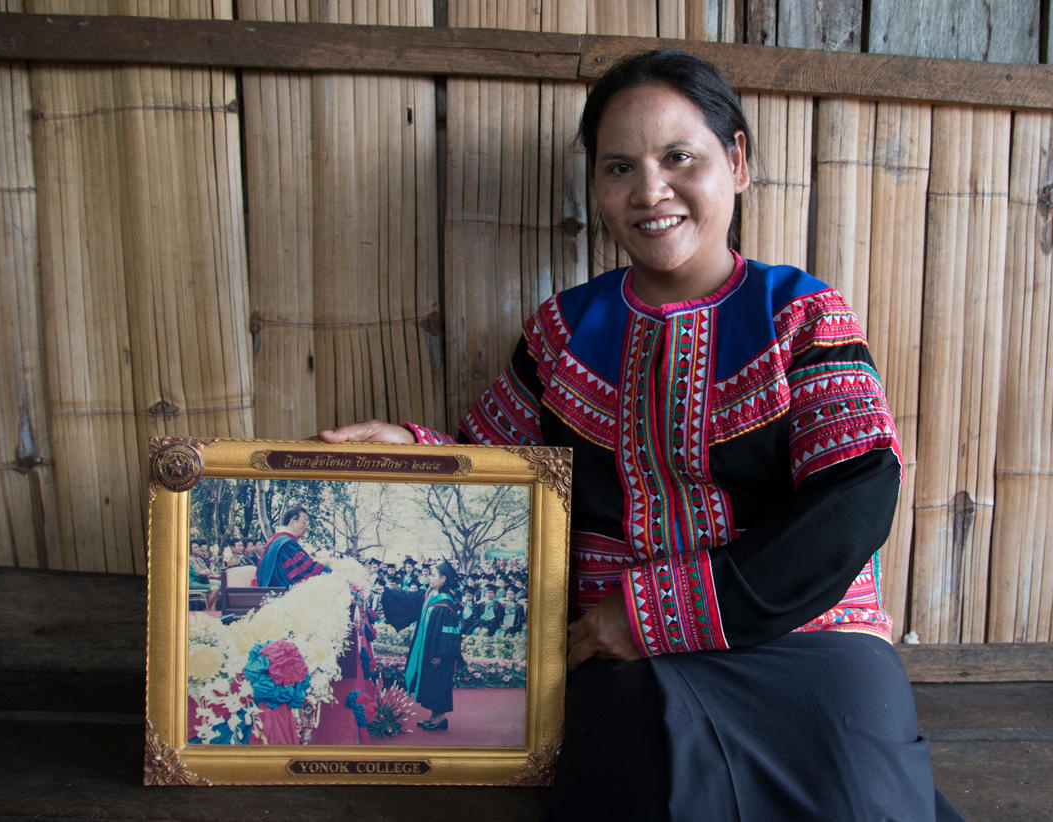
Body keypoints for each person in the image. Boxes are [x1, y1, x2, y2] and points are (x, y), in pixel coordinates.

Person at [320, 49, 960, 821]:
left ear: (738, 160)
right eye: (619, 167)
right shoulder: (563, 331)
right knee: (654, 793)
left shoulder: (802, 314)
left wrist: (654, 613)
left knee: (865, 804)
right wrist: (413, 451)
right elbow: (500, 475)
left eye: (679, 157)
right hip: (617, 657)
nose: (650, 191)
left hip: (811, 640)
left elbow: (855, 499)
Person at [379, 560, 465, 731]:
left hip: (439, 655)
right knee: (431, 683)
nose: (429, 578)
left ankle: (440, 718)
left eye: (433, 575)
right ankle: (434, 716)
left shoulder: (446, 605)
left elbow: (449, 634)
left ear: (443, 579)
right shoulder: (430, 595)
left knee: (439, 684)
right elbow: (408, 598)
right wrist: (385, 592)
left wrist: (440, 655)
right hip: (428, 651)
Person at [256, 506, 330, 589]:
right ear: (292, 522)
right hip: (281, 594)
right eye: (304, 522)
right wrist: (332, 572)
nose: (307, 527)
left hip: (272, 591)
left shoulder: (276, 541)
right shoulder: (286, 544)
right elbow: (307, 570)